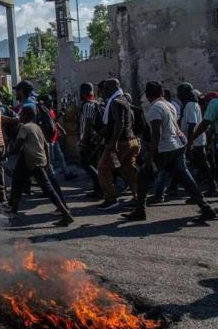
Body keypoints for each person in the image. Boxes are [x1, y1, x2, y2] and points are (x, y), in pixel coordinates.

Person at [122, 81, 217, 222]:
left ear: (148, 95)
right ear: (161, 93)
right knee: (187, 180)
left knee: (143, 177)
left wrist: (150, 156)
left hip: (164, 149)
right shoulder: (170, 105)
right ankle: (206, 208)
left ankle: (140, 211)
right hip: (177, 147)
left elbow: (156, 134)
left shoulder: (154, 108)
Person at [4, 106, 74, 227]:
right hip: (36, 160)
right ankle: (13, 208)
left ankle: (66, 215)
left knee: (48, 189)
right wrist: (47, 161)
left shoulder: (24, 127)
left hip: (33, 161)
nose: (19, 116)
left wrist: (2, 157)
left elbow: (16, 148)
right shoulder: (36, 127)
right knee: (17, 180)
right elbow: (45, 145)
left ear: (26, 116)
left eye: (21, 114)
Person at [96, 79, 140, 210]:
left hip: (120, 143)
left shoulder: (115, 102)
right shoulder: (123, 100)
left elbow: (118, 123)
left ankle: (110, 199)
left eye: (104, 89)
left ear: (109, 89)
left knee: (103, 168)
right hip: (131, 142)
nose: (103, 92)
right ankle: (138, 197)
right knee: (126, 168)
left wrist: (113, 142)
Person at [79, 82, 103, 198]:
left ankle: (100, 185)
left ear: (83, 93)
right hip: (96, 139)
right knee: (93, 163)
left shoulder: (87, 105)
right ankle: (97, 189)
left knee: (85, 163)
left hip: (89, 139)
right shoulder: (97, 102)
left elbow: (88, 124)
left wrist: (83, 140)